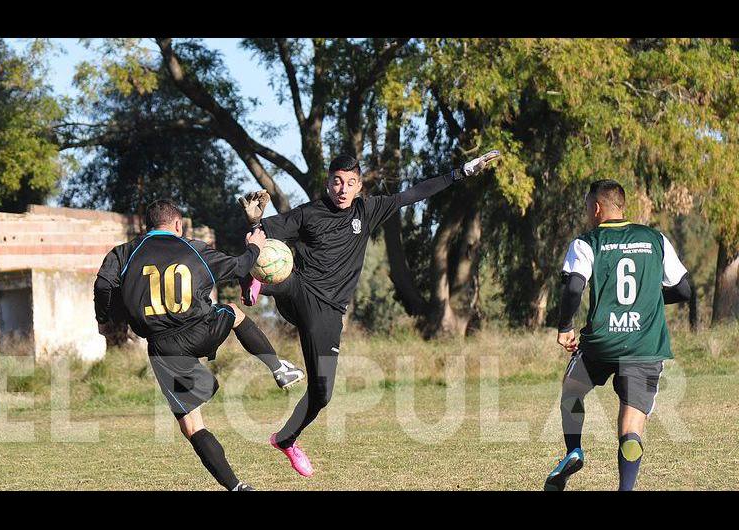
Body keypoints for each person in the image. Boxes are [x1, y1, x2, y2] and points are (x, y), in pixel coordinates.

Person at [237, 151, 500, 477]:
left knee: (322, 395)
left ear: (359, 186)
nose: (342, 189)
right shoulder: (308, 214)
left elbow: (413, 194)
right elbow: (261, 234)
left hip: (329, 314)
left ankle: (286, 439)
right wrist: (254, 222)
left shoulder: (368, 210)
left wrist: (460, 172)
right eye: (337, 182)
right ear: (328, 183)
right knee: (281, 270)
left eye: (350, 183)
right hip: (300, 293)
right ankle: (257, 282)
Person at [93, 199, 305, 491]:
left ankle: (236, 487)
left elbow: (104, 285)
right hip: (200, 329)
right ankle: (277, 366)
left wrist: (105, 319)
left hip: (163, 348)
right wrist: (255, 243)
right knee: (232, 313)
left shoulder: (124, 253)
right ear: (178, 225)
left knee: (192, 426)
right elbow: (241, 265)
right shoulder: (193, 248)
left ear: (147, 226)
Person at [544, 179, 691, 491]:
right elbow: (683, 289)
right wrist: (647, 297)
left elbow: (574, 286)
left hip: (601, 341)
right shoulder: (655, 238)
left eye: (587, 208)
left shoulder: (588, 241)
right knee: (631, 427)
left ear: (596, 208)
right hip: (644, 344)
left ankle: (574, 450)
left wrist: (564, 327)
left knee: (572, 390)